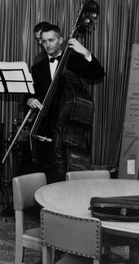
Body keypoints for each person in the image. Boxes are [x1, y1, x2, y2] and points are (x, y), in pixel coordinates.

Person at [26, 23, 105, 183]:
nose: (47, 45)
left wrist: (85, 52)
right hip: (46, 129)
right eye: (44, 41)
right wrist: (30, 100)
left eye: (51, 40)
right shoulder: (37, 68)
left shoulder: (73, 60)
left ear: (61, 39)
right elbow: (29, 94)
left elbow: (98, 73)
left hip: (69, 129)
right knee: (41, 171)